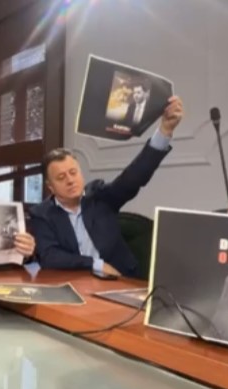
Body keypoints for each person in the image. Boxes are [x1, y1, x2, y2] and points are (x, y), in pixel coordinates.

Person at [31, 96, 184, 278]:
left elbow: (132, 178)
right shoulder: (42, 214)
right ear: (50, 186)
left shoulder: (99, 196)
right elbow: (50, 256)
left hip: (121, 280)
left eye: (73, 172)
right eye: (61, 177)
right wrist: (96, 265)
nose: (70, 180)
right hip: (77, 283)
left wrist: (165, 131)